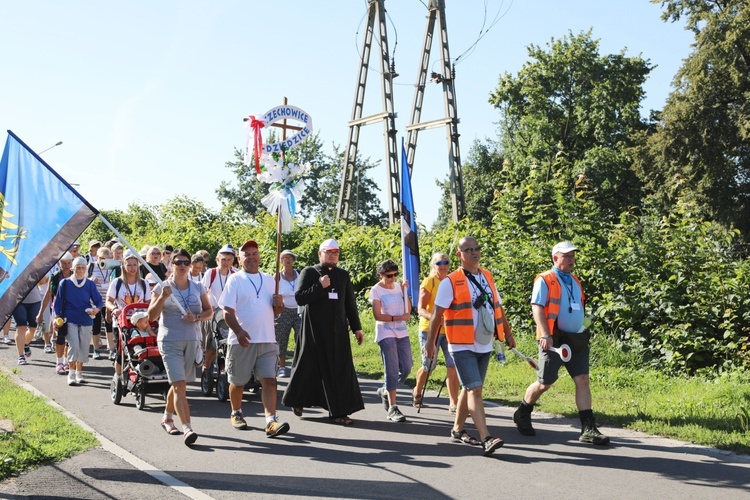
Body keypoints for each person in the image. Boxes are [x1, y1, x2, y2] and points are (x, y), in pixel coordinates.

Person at [513, 241, 610, 445]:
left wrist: (583, 327)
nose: (571, 259)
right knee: (544, 383)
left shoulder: (575, 280)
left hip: (576, 338)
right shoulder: (545, 279)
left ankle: (588, 428)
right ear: (555, 258)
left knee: (582, 379)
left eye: (573, 255)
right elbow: (537, 307)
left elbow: (578, 308)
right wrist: (545, 334)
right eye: (566, 255)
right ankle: (523, 411)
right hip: (554, 339)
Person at [426, 236, 515, 457]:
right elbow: (437, 315)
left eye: (476, 249)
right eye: (468, 250)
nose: (473, 253)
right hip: (461, 344)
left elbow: (498, 307)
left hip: (483, 344)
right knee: (475, 389)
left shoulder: (487, 276)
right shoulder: (451, 281)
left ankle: (457, 429)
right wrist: (431, 343)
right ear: (459, 255)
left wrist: (508, 332)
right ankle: (486, 438)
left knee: (469, 388)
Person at [282, 238, 365, 426]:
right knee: (307, 366)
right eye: (328, 252)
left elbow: (349, 304)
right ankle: (297, 400)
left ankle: (339, 411)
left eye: (336, 252)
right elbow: (300, 298)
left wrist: (357, 327)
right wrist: (320, 286)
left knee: (339, 370)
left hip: (337, 332)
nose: (333, 255)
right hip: (314, 330)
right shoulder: (309, 272)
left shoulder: (343, 275)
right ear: (320, 254)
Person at [218, 240, 289, 438]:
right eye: (246, 254)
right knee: (238, 381)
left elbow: (277, 311)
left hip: (267, 339)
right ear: (239, 259)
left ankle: (271, 421)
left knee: (269, 381)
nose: (251, 257)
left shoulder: (269, 280)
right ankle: (236, 412)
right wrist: (239, 332)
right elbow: (227, 312)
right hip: (242, 340)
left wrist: (280, 304)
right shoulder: (235, 279)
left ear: (259, 256)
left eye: (254, 253)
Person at [148, 248, 212, 447]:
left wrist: (197, 317)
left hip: (191, 340)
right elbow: (151, 316)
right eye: (178, 263)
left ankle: (167, 417)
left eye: (186, 262)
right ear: (171, 265)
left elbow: (209, 311)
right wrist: (162, 298)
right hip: (169, 340)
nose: (183, 266)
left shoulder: (198, 287)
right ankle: (187, 428)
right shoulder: (162, 287)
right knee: (179, 386)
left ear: (190, 265)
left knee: (179, 384)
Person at [414, 252, 459, 413]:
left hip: (449, 330)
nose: (443, 265)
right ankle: (417, 392)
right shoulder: (429, 282)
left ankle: (454, 403)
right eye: (439, 263)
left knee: (452, 365)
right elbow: (420, 309)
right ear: (433, 265)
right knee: (429, 365)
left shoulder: (451, 281)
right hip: (429, 329)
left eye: (445, 262)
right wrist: (435, 318)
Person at [370, 259, 413, 422]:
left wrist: (405, 292)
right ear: (381, 275)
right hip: (385, 331)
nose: (393, 278)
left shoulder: (398, 286)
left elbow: (407, 311)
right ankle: (393, 408)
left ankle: (386, 389)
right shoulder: (376, 290)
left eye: (395, 275)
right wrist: (398, 317)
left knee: (407, 367)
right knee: (392, 368)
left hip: (401, 331)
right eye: (389, 276)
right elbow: (377, 315)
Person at [53, 256, 104, 386]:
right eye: (77, 267)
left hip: (86, 319)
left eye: (82, 267)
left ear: (85, 269)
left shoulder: (89, 284)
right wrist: (56, 319)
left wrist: (96, 310)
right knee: (74, 345)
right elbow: (58, 303)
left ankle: (79, 372)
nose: (80, 270)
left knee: (84, 347)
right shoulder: (65, 283)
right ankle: (71, 373)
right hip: (69, 319)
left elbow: (99, 301)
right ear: (73, 268)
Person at [106, 251, 152, 379]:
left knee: (141, 347)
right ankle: (118, 376)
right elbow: (108, 301)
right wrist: (114, 308)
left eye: (135, 265)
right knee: (121, 351)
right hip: (122, 322)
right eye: (129, 265)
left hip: (140, 323)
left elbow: (148, 303)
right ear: (124, 266)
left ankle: (140, 373)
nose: (132, 268)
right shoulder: (117, 283)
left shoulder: (143, 283)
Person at [200, 244, 235, 374]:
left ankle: (227, 366)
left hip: (230, 313)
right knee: (212, 344)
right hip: (214, 314)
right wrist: (208, 305)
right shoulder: (211, 273)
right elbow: (202, 292)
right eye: (223, 259)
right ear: (217, 260)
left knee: (230, 342)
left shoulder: (235, 274)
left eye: (229, 260)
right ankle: (207, 365)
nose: (226, 262)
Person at [37, 252, 74, 375]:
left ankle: (67, 361)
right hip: (58, 311)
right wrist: (40, 312)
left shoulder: (75, 276)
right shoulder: (54, 277)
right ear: (60, 263)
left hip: (73, 310)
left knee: (71, 337)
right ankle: (59, 362)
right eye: (64, 263)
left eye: (69, 263)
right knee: (60, 336)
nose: (66, 265)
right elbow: (48, 295)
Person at [274, 249, 302, 378]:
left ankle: (300, 365)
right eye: (284, 257)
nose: (287, 260)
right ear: (281, 260)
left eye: (290, 257)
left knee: (301, 338)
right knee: (281, 339)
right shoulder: (277, 276)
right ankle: (282, 367)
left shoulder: (300, 274)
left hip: (299, 311)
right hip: (283, 311)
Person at [88, 246, 113, 360]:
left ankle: (111, 349)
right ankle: (96, 349)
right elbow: (84, 279)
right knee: (96, 326)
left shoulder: (111, 267)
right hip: (95, 301)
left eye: (106, 258)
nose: (103, 261)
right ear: (97, 257)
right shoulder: (92, 266)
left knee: (109, 324)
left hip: (108, 300)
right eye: (102, 258)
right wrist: (90, 279)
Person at [13, 277, 42, 365]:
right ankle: (21, 356)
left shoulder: (34, 265)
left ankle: (25, 343)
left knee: (33, 329)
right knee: (21, 327)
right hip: (17, 300)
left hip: (35, 300)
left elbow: (43, 281)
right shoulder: (13, 267)